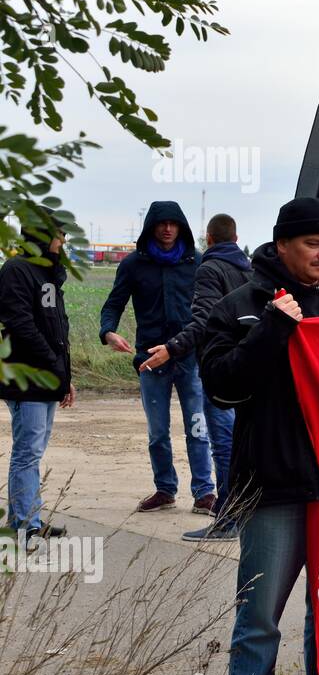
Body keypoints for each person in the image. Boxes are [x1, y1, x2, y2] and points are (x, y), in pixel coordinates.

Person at [200, 197, 319, 675]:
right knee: (259, 622)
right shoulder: (240, 305)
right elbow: (223, 386)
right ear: (281, 246)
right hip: (273, 487)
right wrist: (271, 328)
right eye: (313, 245)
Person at [137, 213, 252, 542]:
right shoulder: (250, 270)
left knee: (223, 444)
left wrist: (171, 348)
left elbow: (203, 322)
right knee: (239, 442)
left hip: (220, 369)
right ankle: (237, 511)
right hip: (250, 367)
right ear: (235, 236)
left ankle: (228, 519)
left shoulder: (210, 269)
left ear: (209, 239)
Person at [99, 201, 215, 514]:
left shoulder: (197, 262)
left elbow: (208, 312)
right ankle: (165, 489)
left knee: (197, 429)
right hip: (149, 360)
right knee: (158, 433)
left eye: (172, 223)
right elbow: (113, 305)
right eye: (161, 223)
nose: (167, 229)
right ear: (151, 226)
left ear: (181, 227)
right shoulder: (134, 264)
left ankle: (204, 493)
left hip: (189, 359)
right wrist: (108, 332)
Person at [0, 225, 74, 547]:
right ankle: (28, 527)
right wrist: (52, 365)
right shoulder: (17, 270)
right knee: (27, 453)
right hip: (26, 377)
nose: (63, 242)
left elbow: (58, 328)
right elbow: (20, 324)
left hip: (48, 378)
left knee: (33, 451)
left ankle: (23, 521)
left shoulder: (50, 277)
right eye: (59, 236)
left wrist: (65, 377)